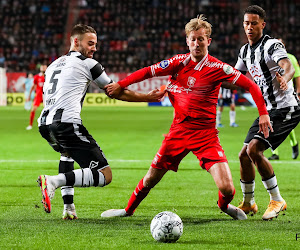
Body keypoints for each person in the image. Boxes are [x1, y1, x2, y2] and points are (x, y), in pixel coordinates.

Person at [101, 15, 272, 220]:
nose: (196, 43)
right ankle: (127, 211)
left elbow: (251, 85)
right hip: (178, 133)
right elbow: (148, 72)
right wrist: (122, 84)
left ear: (208, 41)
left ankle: (224, 206)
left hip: (206, 136)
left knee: (228, 189)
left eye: (201, 39)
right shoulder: (177, 63)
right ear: (187, 41)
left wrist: (263, 113)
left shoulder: (218, 68)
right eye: (193, 39)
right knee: (149, 180)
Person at [36, 24, 164, 220]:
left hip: (44, 124)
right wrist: (148, 97)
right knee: (104, 175)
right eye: (90, 43)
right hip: (66, 123)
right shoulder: (88, 64)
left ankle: (68, 209)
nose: (94, 48)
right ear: (76, 42)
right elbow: (115, 91)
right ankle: (53, 181)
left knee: (67, 154)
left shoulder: (53, 65)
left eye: (95, 44)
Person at [235, 5, 300, 220]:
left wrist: (285, 77)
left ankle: (277, 199)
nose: (250, 27)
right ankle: (248, 203)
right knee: (243, 156)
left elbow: (287, 64)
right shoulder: (244, 51)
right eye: (246, 23)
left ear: (263, 24)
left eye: (254, 23)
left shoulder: (272, 45)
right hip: (267, 110)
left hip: (286, 108)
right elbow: (235, 78)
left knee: (254, 149)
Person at [268, 38, 300, 160]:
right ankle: (275, 153)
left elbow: (297, 75)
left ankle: (294, 144)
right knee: (270, 123)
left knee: (285, 123)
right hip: (272, 97)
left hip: (287, 95)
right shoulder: (269, 58)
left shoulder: (290, 58)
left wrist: (298, 91)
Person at [26, 64, 47, 130]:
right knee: (33, 109)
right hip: (38, 95)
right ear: (40, 69)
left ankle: (47, 124)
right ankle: (30, 125)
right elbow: (33, 86)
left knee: (47, 110)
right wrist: (29, 96)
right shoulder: (37, 77)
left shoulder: (49, 76)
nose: (43, 69)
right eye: (42, 68)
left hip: (46, 95)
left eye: (44, 68)